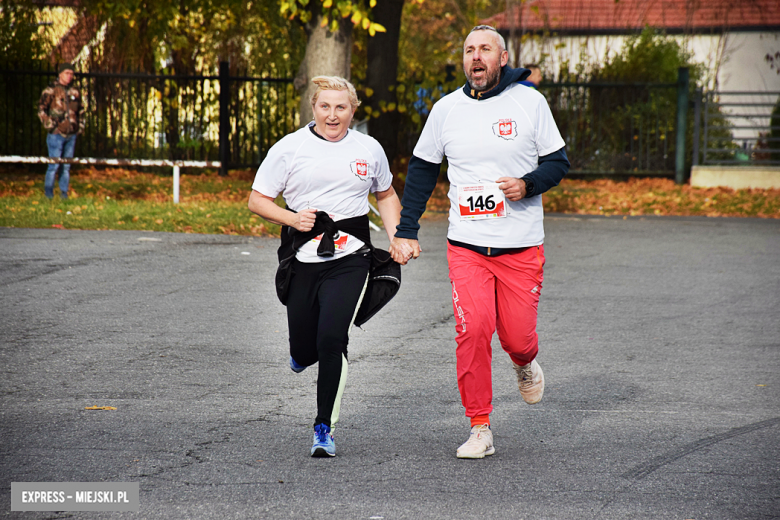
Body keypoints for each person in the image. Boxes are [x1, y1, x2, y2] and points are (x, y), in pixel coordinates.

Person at [389, 25, 570, 459]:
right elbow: (421, 171)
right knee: (472, 331)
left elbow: (558, 163)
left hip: (521, 246)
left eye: (485, 49)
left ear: (502, 58)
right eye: (469, 50)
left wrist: (527, 185)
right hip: (467, 245)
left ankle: (524, 362)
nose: (476, 56)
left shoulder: (530, 102)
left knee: (517, 339)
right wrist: (406, 229)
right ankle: (479, 426)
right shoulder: (446, 109)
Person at [248, 76, 408, 458]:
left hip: (351, 258)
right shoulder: (290, 148)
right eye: (325, 106)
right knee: (305, 348)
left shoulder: (368, 148)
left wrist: (397, 236)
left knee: (332, 339)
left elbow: (384, 193)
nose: (332, 115)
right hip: (303, 257)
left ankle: (324, 427)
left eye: (341, 107)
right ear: (314, 108)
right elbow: (257, 200)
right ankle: (301, 355)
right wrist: (291, 219)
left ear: (353, 111)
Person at [38, 63, 85, 200]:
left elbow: (81, 110)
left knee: (66, 166)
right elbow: (41, 110)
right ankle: (49, 195)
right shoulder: (51, 90)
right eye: (66, 73)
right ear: (60, 74)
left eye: (71, 73)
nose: (69, 76)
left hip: (71, 135)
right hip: (56, 135)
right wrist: (52, 127)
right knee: (53, 166)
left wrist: (80, 127)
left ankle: (64, 193)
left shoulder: (75, 91)